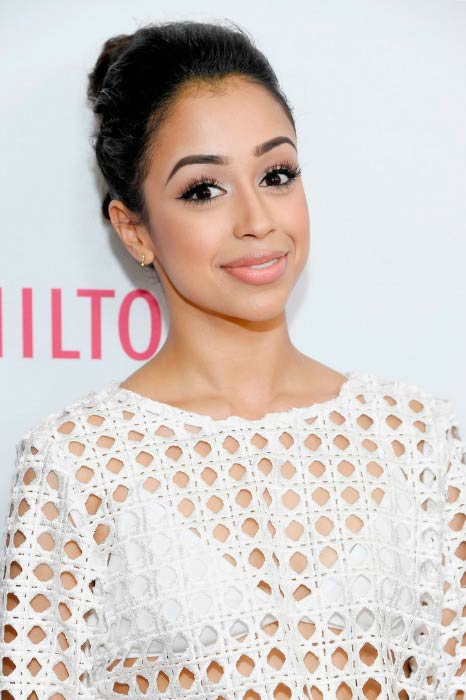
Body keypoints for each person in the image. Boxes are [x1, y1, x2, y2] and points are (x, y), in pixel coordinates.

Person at [0, 19, 464, 700]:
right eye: (203, 190)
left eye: (276, 174)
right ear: (135, 230)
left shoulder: (418, 439)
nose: (256, 219)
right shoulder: (77, 464)